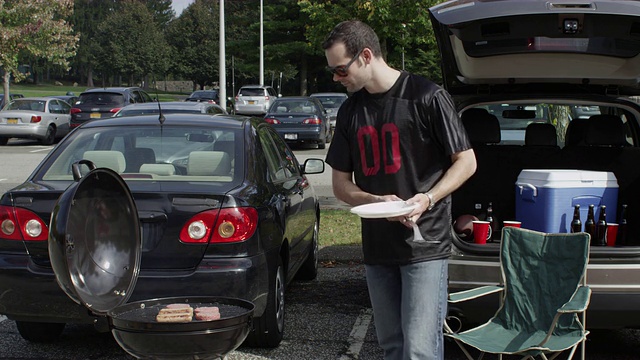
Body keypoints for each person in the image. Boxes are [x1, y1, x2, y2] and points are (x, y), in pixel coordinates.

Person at [322, 20, 477, 360]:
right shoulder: (351, 111)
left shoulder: (427, 96)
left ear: (365, 56)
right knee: (392, 346)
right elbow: (341, 185)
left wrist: (428, 198)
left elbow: (466, 162)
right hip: (378, 248)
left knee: (420, 349)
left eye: (341, 70)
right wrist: (375, 200)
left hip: (425, 244)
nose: (336, 78)